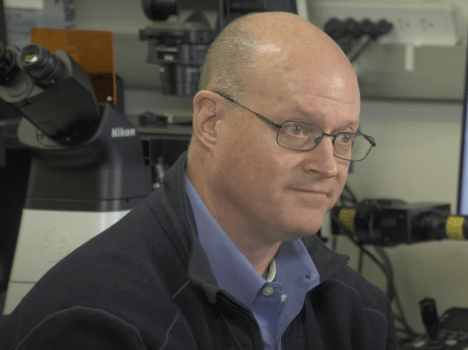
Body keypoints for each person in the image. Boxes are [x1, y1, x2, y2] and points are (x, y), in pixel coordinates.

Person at [0, 11, 395, 350]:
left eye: (344, 137)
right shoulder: (96, 323)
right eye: (296, 128)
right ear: (211, 121)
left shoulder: (360, 312)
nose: (328, 165)